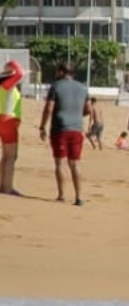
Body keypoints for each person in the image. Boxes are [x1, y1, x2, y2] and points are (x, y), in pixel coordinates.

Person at [38, 62, 90, 205]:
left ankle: (61, 195)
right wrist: (77, 114)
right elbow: (88, 109)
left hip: (60, 128)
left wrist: (42, 126)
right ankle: (79, 197)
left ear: (61, 72)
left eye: (57, 71)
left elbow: (49, 108)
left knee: (60, 163)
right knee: (75, 163)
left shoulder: (56, 86)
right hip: (77, 129)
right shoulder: (83, 88)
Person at [0, 58, 23, 196]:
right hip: (7, 120)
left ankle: (3, 183)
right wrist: (13, 64)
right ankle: (7, 187)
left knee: (6, 155)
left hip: (4, 119)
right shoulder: (6, 84)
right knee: (11, 156)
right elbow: (20, 73)